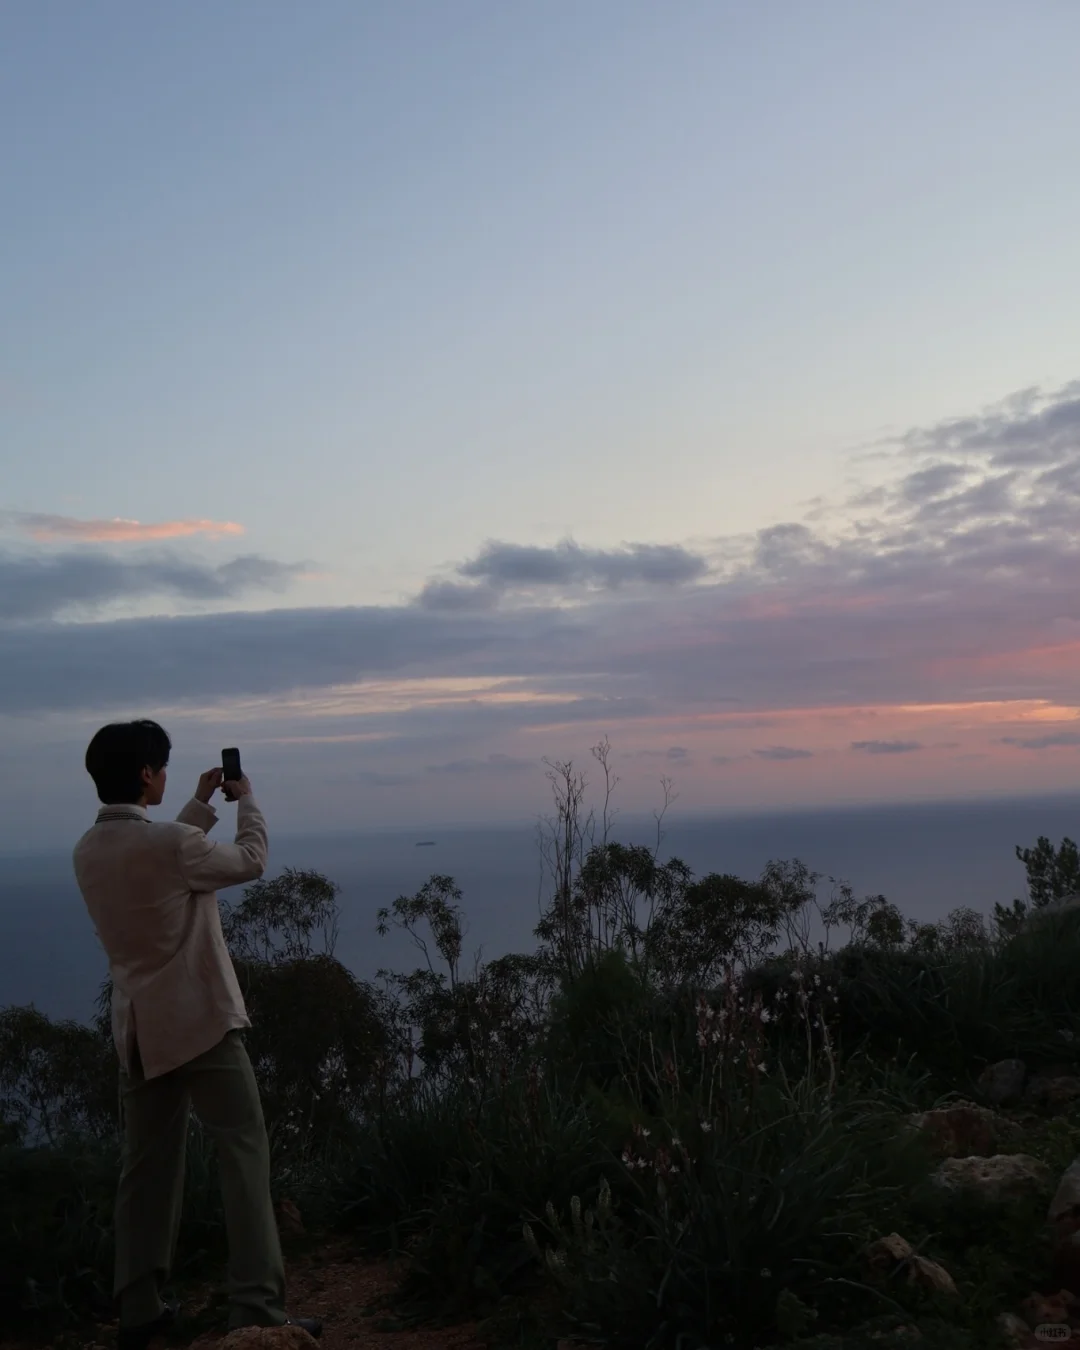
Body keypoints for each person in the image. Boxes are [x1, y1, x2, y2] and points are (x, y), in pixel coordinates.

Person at [72, 719, 322, 1349]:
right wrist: (248, 802)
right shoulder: (171, 847)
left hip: (138, 1032)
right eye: (160, 768)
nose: (163, 775)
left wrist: (201, 802)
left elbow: (158, 851)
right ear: (147, 775)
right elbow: (250, 861)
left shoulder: (87, 851)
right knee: (243, 1151)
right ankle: (258, 1308)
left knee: (146, 1168)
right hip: (202, 1025)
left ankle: (140, 1311)